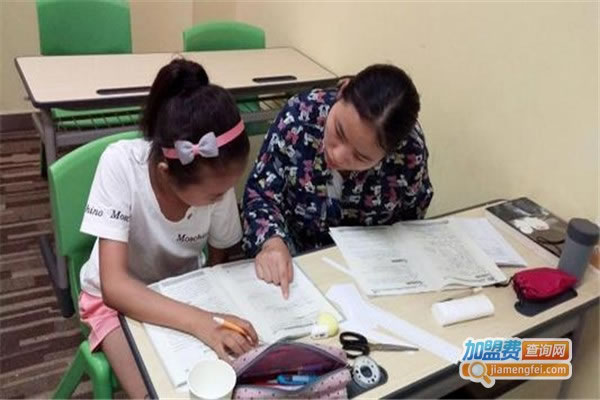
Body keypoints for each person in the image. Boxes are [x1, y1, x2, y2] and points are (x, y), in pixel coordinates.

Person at [78, 59, 258, 398]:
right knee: (154, 393)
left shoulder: (215, 181)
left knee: (232, 375)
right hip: (113, 302)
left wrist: (211, 307)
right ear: (165, 173)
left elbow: (220, 252)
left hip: (183, 289)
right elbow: (114, 287)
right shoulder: (120, 164)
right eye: (214, 195)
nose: (223, 198)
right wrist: (202, 322)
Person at [242, 64, 433, 298]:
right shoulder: (300, 116)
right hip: (294, 266)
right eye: (339, 131)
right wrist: (272, 242)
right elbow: (260, 192)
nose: (338, 156)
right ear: (342, 91)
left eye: (361, 157)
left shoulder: (410, 153)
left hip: (367, 275)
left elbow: (411, 220)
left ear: (391, 152)